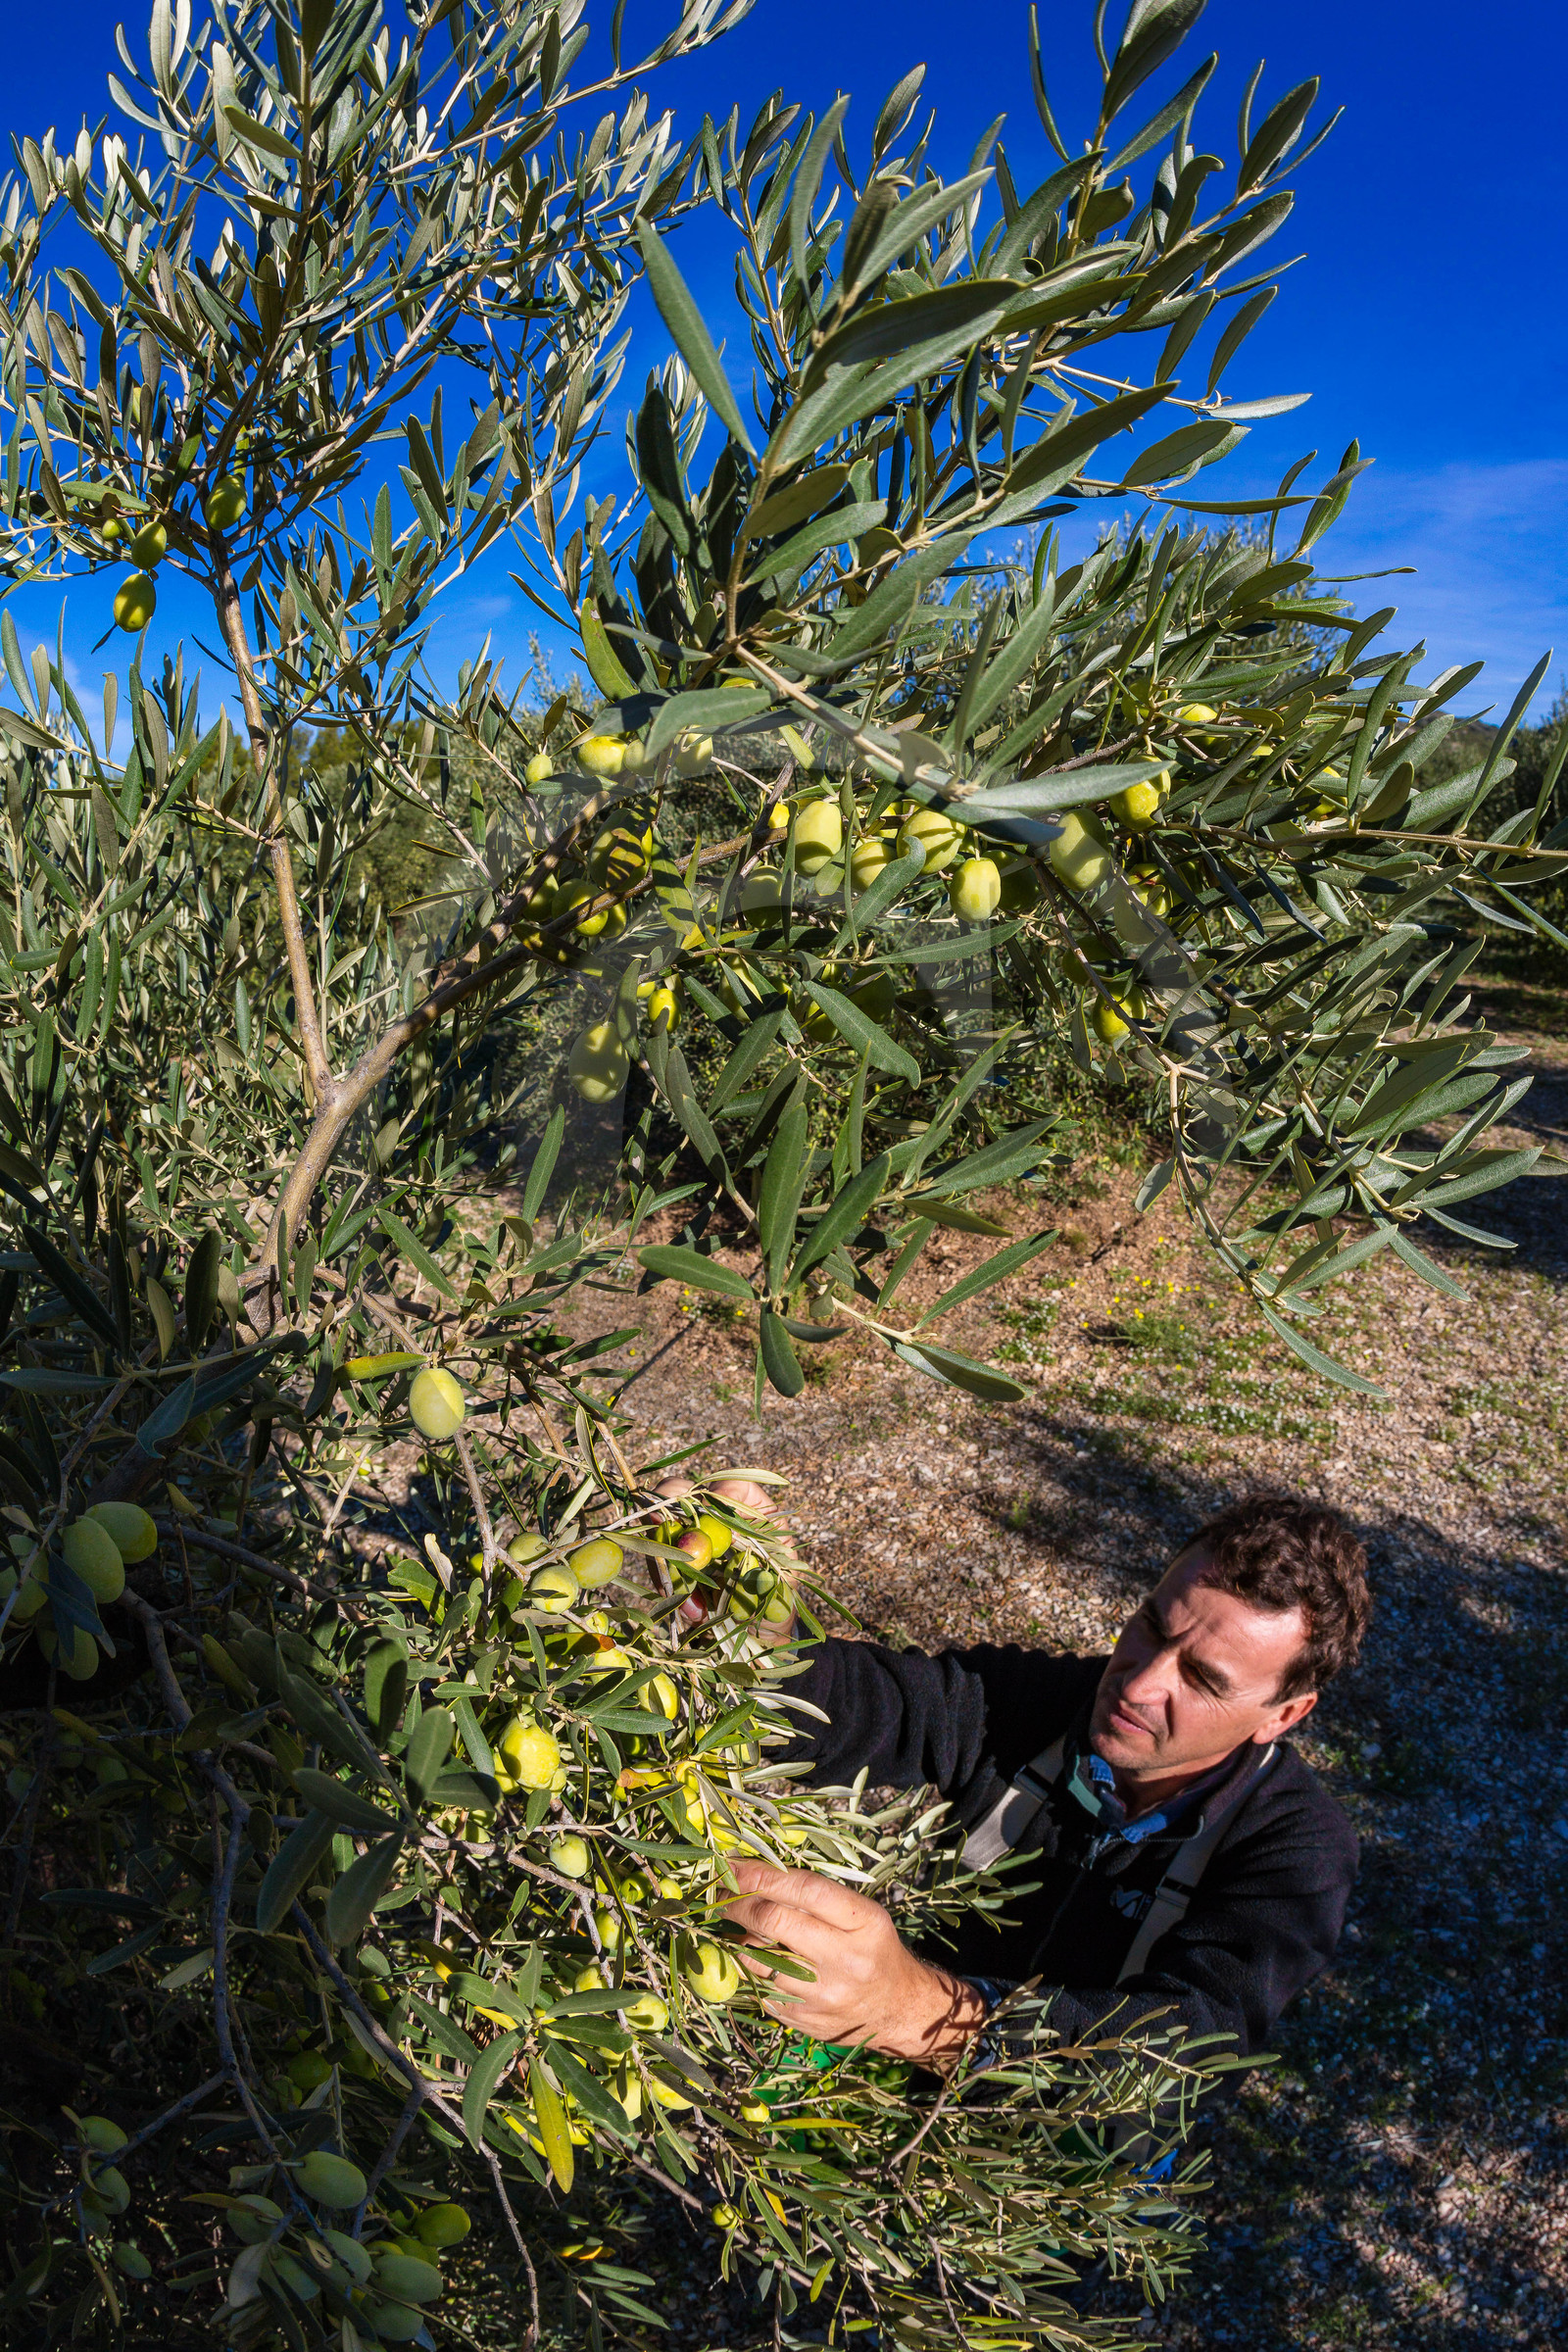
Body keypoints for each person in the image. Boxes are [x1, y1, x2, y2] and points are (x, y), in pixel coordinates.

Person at [715, 1493, 1368, 2080]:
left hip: (1061, 2159)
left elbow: (1181, 2056)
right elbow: (870, 1705)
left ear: (1284, 1715)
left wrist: (911, 2011)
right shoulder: (1044, 1704)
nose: (1139, 1685)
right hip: (885, 2069)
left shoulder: (1296, 1853)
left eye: (1203, 1679)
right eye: (1152, 1627)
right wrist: (757, 1644)